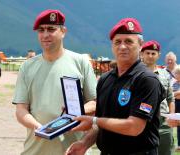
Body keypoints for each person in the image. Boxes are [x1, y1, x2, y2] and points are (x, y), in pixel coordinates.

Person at [66, 18, 165, 155]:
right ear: (112, 46)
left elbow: (134, 127)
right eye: (117, 42)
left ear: (140, 45)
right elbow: (99, 125)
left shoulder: (147, 80)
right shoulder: (105, 79)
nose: (122, 46)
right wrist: (84, 144)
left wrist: (94, 120)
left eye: (129, 41)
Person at [12, 9, 97, 155]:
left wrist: (75, 112)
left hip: (72, 149)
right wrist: (37, 126)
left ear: (63, 31)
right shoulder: (27, 66)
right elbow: (21, 110)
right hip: (35, 149)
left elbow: (95, 102)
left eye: (51, 29)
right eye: (41, 30)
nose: (45, 35)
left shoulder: (80, 62)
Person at [141, 40, 175, 155]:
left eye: (153, 53)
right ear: (142, 54)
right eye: (148, 53)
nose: (150, 56)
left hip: (163, 125)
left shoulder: (165, 74)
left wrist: (171, 116)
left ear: (158, 55)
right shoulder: (137, 74)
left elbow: (170, 98)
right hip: (144, 124)